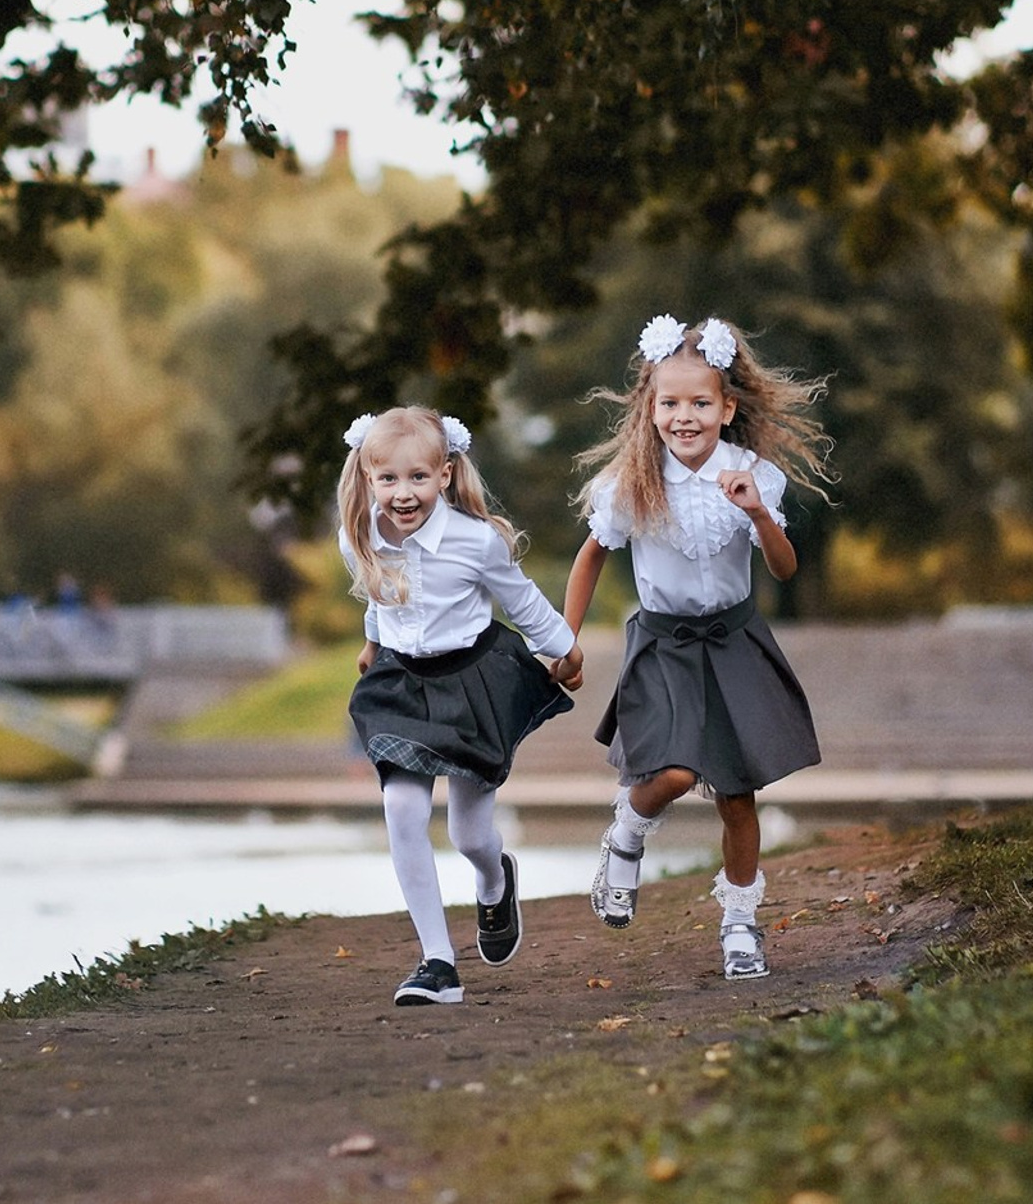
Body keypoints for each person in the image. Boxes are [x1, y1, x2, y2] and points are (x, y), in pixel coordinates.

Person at [564, 313, 833, 981]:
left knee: (738, 796)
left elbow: (784, 570)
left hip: (734, 639)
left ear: (727, 406)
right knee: (676, 773)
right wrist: (562, 638)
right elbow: (590, 557)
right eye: (670, 403)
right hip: (664, 643)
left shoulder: (751, 475)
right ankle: (627, 831)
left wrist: (756, 513)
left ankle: (740, 924)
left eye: (700, 403)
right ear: (651, 407)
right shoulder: (632, 480)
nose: (684, 417)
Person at [339, 406, 585, 1007]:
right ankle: (437, 962)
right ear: (369, 477)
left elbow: (522, 603)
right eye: (389, 479)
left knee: (469, 834)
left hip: (471, 682)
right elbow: (382, 594)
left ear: (445, 474)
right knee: (401, 806)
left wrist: (565, 652)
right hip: (401, 684)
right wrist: (373, 640)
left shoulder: (477, 542)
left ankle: (494, 879)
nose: (403, 493)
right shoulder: (360, 534)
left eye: (418, 478)